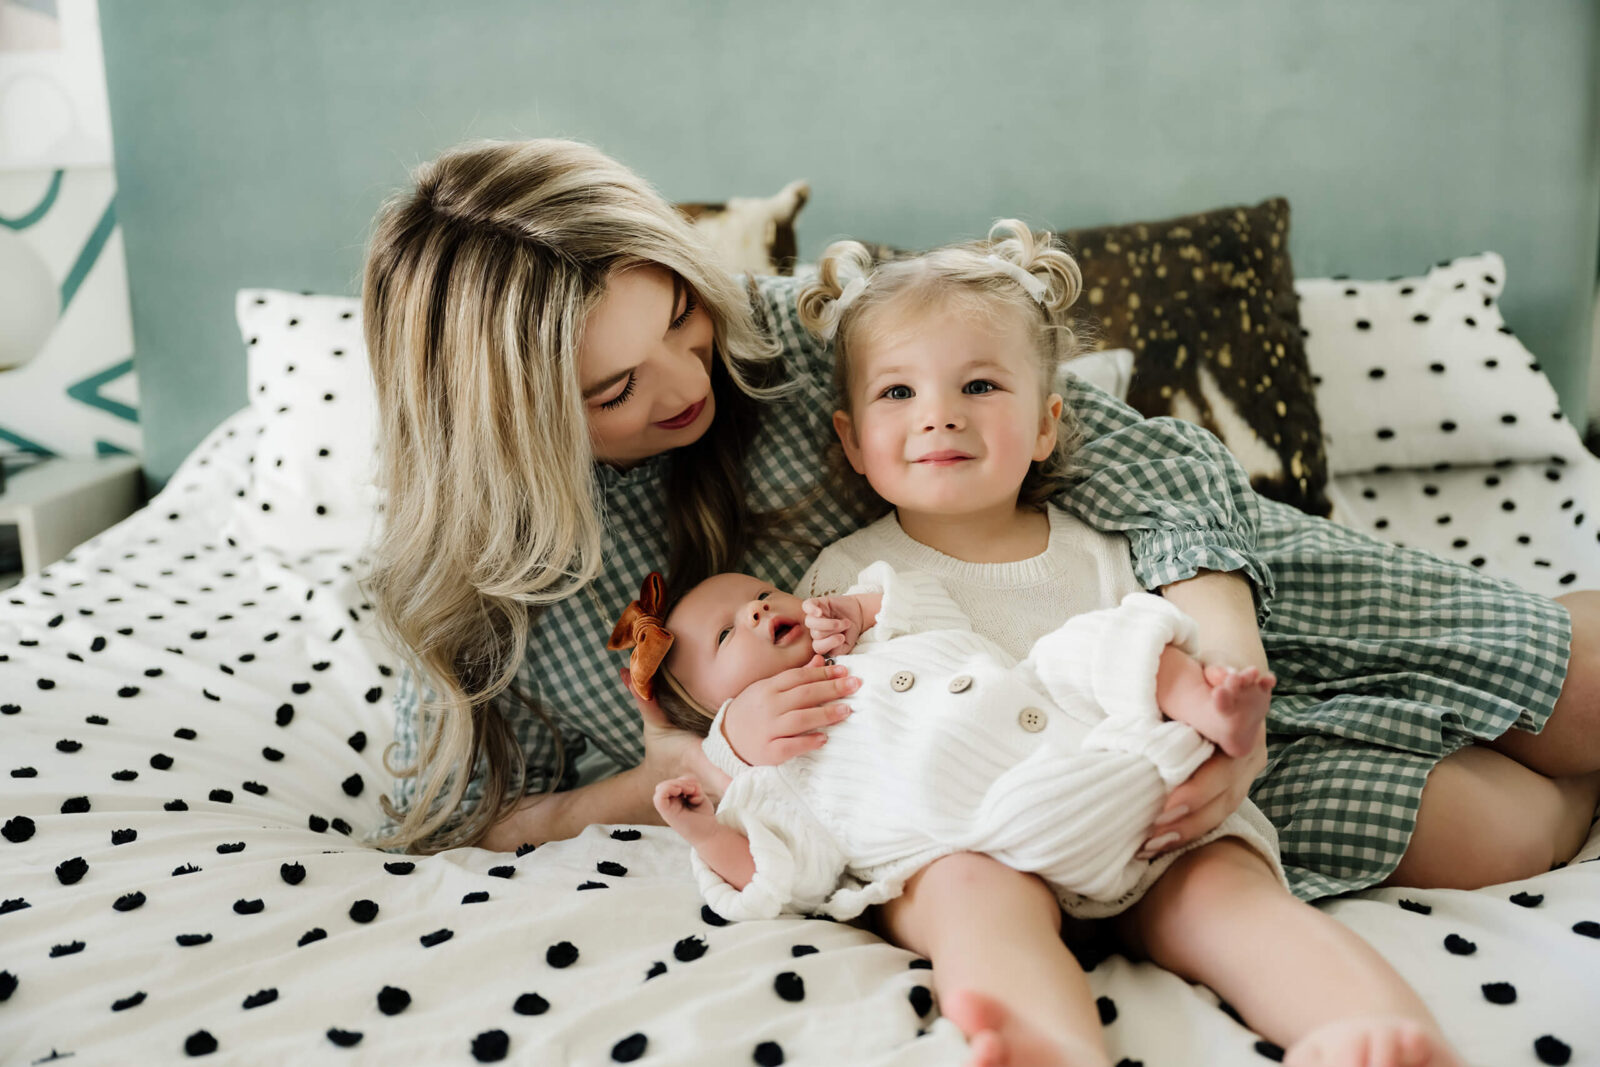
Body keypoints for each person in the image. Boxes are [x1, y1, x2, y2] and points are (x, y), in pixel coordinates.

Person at [361, 137, 1598, 1061]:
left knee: (1576, 687)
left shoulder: (797, 341)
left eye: (683, 313)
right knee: (1490, 830)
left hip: (1175, 596)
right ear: (507, 423)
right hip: (1029, 759)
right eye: (615, 386)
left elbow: (1129, 456)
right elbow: (467, 815)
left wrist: (1231, 663)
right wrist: (701, 762)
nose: (690, 379)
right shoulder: (480, 599)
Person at [625, 224, 1459, 1066]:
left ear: (1046, 423)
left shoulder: (1103, 545)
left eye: (979, 384)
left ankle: (1362, 1027)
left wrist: (1204, 709)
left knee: (1231, 898)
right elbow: (816, 750)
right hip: (967, 833)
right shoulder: (843, 576)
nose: (940, 413)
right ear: (849, 442)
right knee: (966, 901)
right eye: (898, 393)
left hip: (1132, 809)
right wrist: (738, 743)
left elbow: (1153, 656)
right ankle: (1046, 1042)